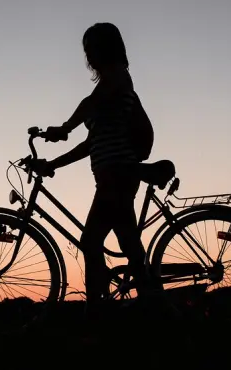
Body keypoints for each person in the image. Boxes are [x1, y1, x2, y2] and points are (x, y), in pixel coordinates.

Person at [32, 22, 155, 313]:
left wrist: (64, 128)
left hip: (118, 175)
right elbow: (91, 145)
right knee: (129, 244)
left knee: (91, 241)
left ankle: (98, 311)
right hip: (113, 177)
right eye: (87, 50)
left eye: (93, 48)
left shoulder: (118, 80)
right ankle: (152, 307)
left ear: (108, 48)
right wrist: (53, 164)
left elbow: (90, 104)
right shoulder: (106, 90)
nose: (89, 55)